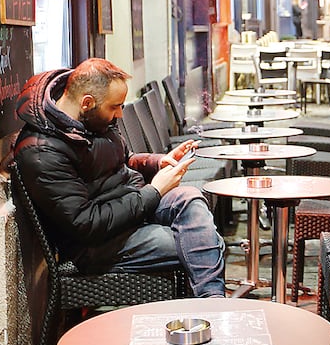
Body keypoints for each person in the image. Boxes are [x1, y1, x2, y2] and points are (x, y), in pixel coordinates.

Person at [13, 58, 227, 297]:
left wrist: (157, 161)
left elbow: (124, 158)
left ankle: (212, 304)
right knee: (200, 244)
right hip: (97, 246)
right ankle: (212, 303)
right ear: (87, 103)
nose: (120, 115)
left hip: (132, 210)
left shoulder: (94, 120)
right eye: (115, 107)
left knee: (190, 197)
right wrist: (154, 192)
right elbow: (86, 223)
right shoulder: (42, 151)